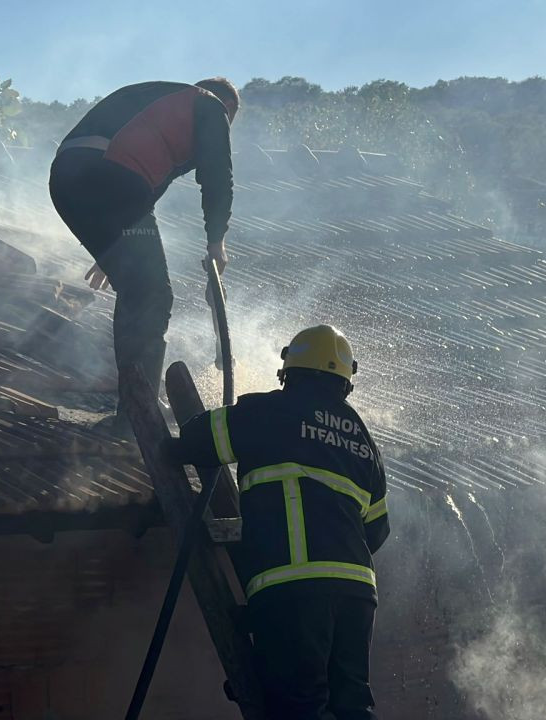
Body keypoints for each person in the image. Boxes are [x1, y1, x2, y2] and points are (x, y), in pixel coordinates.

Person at [171, 325, 390, 720]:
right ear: (345, 382)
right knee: (352, 707)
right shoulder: (363, 440)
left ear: (287, 371)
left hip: (294, 592)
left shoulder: (269, 412)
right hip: (357, 596)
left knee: (299, 709)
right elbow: (377, 529)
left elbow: (195, 440)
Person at [49, 78, 238, 431]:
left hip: (66, 178)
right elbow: (218, 177)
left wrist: (115, 247)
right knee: (153, 295)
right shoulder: (211, 104)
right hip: (111, 176)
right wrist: (216, 242)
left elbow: (144, 185)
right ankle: (138, 414)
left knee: (138, 290)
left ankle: (135, 403)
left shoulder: (162, 104)